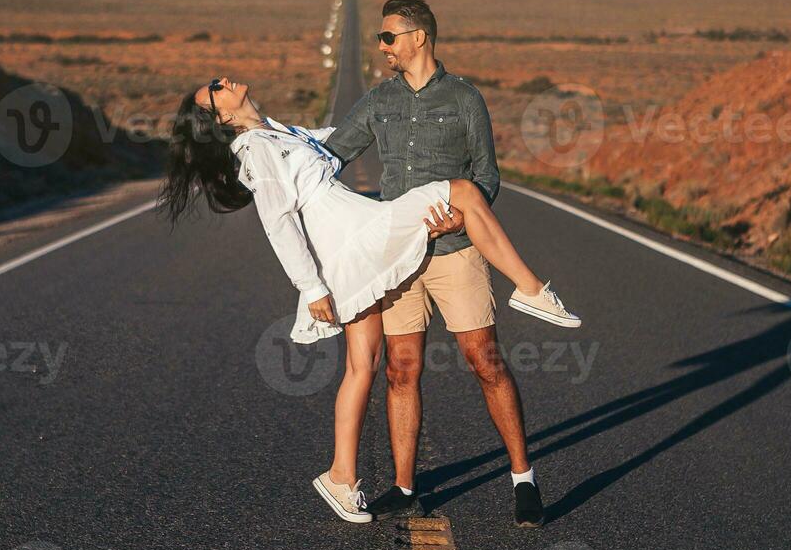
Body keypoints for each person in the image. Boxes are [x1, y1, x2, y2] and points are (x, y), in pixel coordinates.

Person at [159, 74, 579, 525]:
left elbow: (349, 136)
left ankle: (342, 475)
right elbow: (279, 223)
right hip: (355, 246)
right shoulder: (257, 150)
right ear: (221, 118)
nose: (223, 80)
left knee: (364, 364)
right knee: (463, 191)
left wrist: (392, 102)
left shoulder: (279, 133)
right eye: (214, 89)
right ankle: (532, 290)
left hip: (356, 247)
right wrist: (311, 288)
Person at [325, 0, 571, 529]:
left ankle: (523, 479)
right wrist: (263, 143)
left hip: (457, 254)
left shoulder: (464, 98)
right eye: (381, 38)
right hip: (397, 262)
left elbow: (486, 174)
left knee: (486, 361)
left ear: (419, 37)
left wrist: (463, 219)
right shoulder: (377, 100)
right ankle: (405, 486)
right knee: (401, 371)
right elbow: (330, 157)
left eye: (389, 37)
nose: (383, 46)